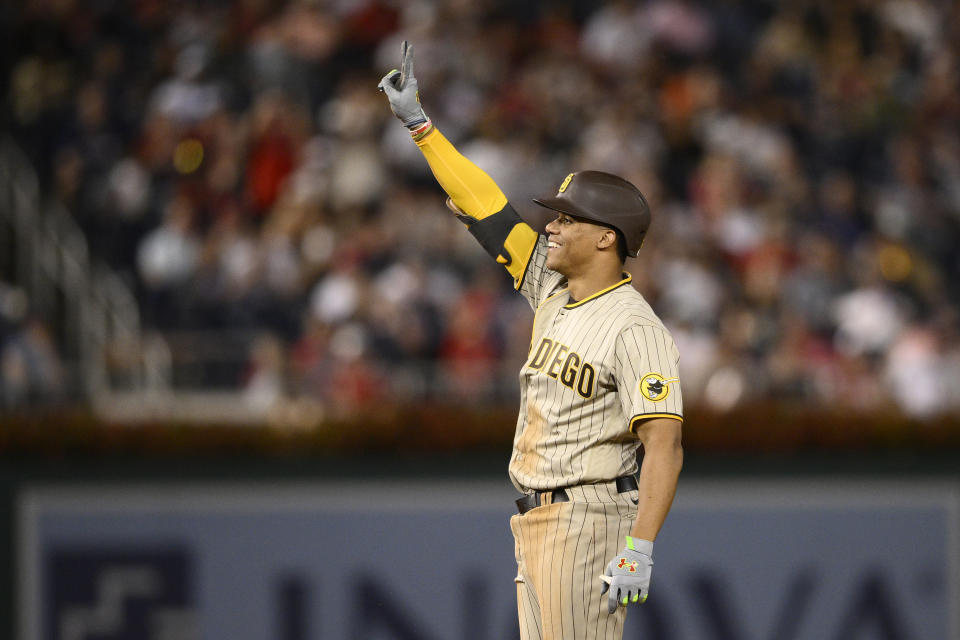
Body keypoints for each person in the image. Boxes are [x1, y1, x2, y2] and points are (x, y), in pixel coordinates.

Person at [379, 41, 684, 640]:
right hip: (537, 520)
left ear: (606, 239)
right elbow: (487, 206)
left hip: (589, 517)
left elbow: (665, 445)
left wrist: (641, 544)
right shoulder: (550, 285)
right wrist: (422, 128)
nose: (552, 226)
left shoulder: (636, 328)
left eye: (568, 219)